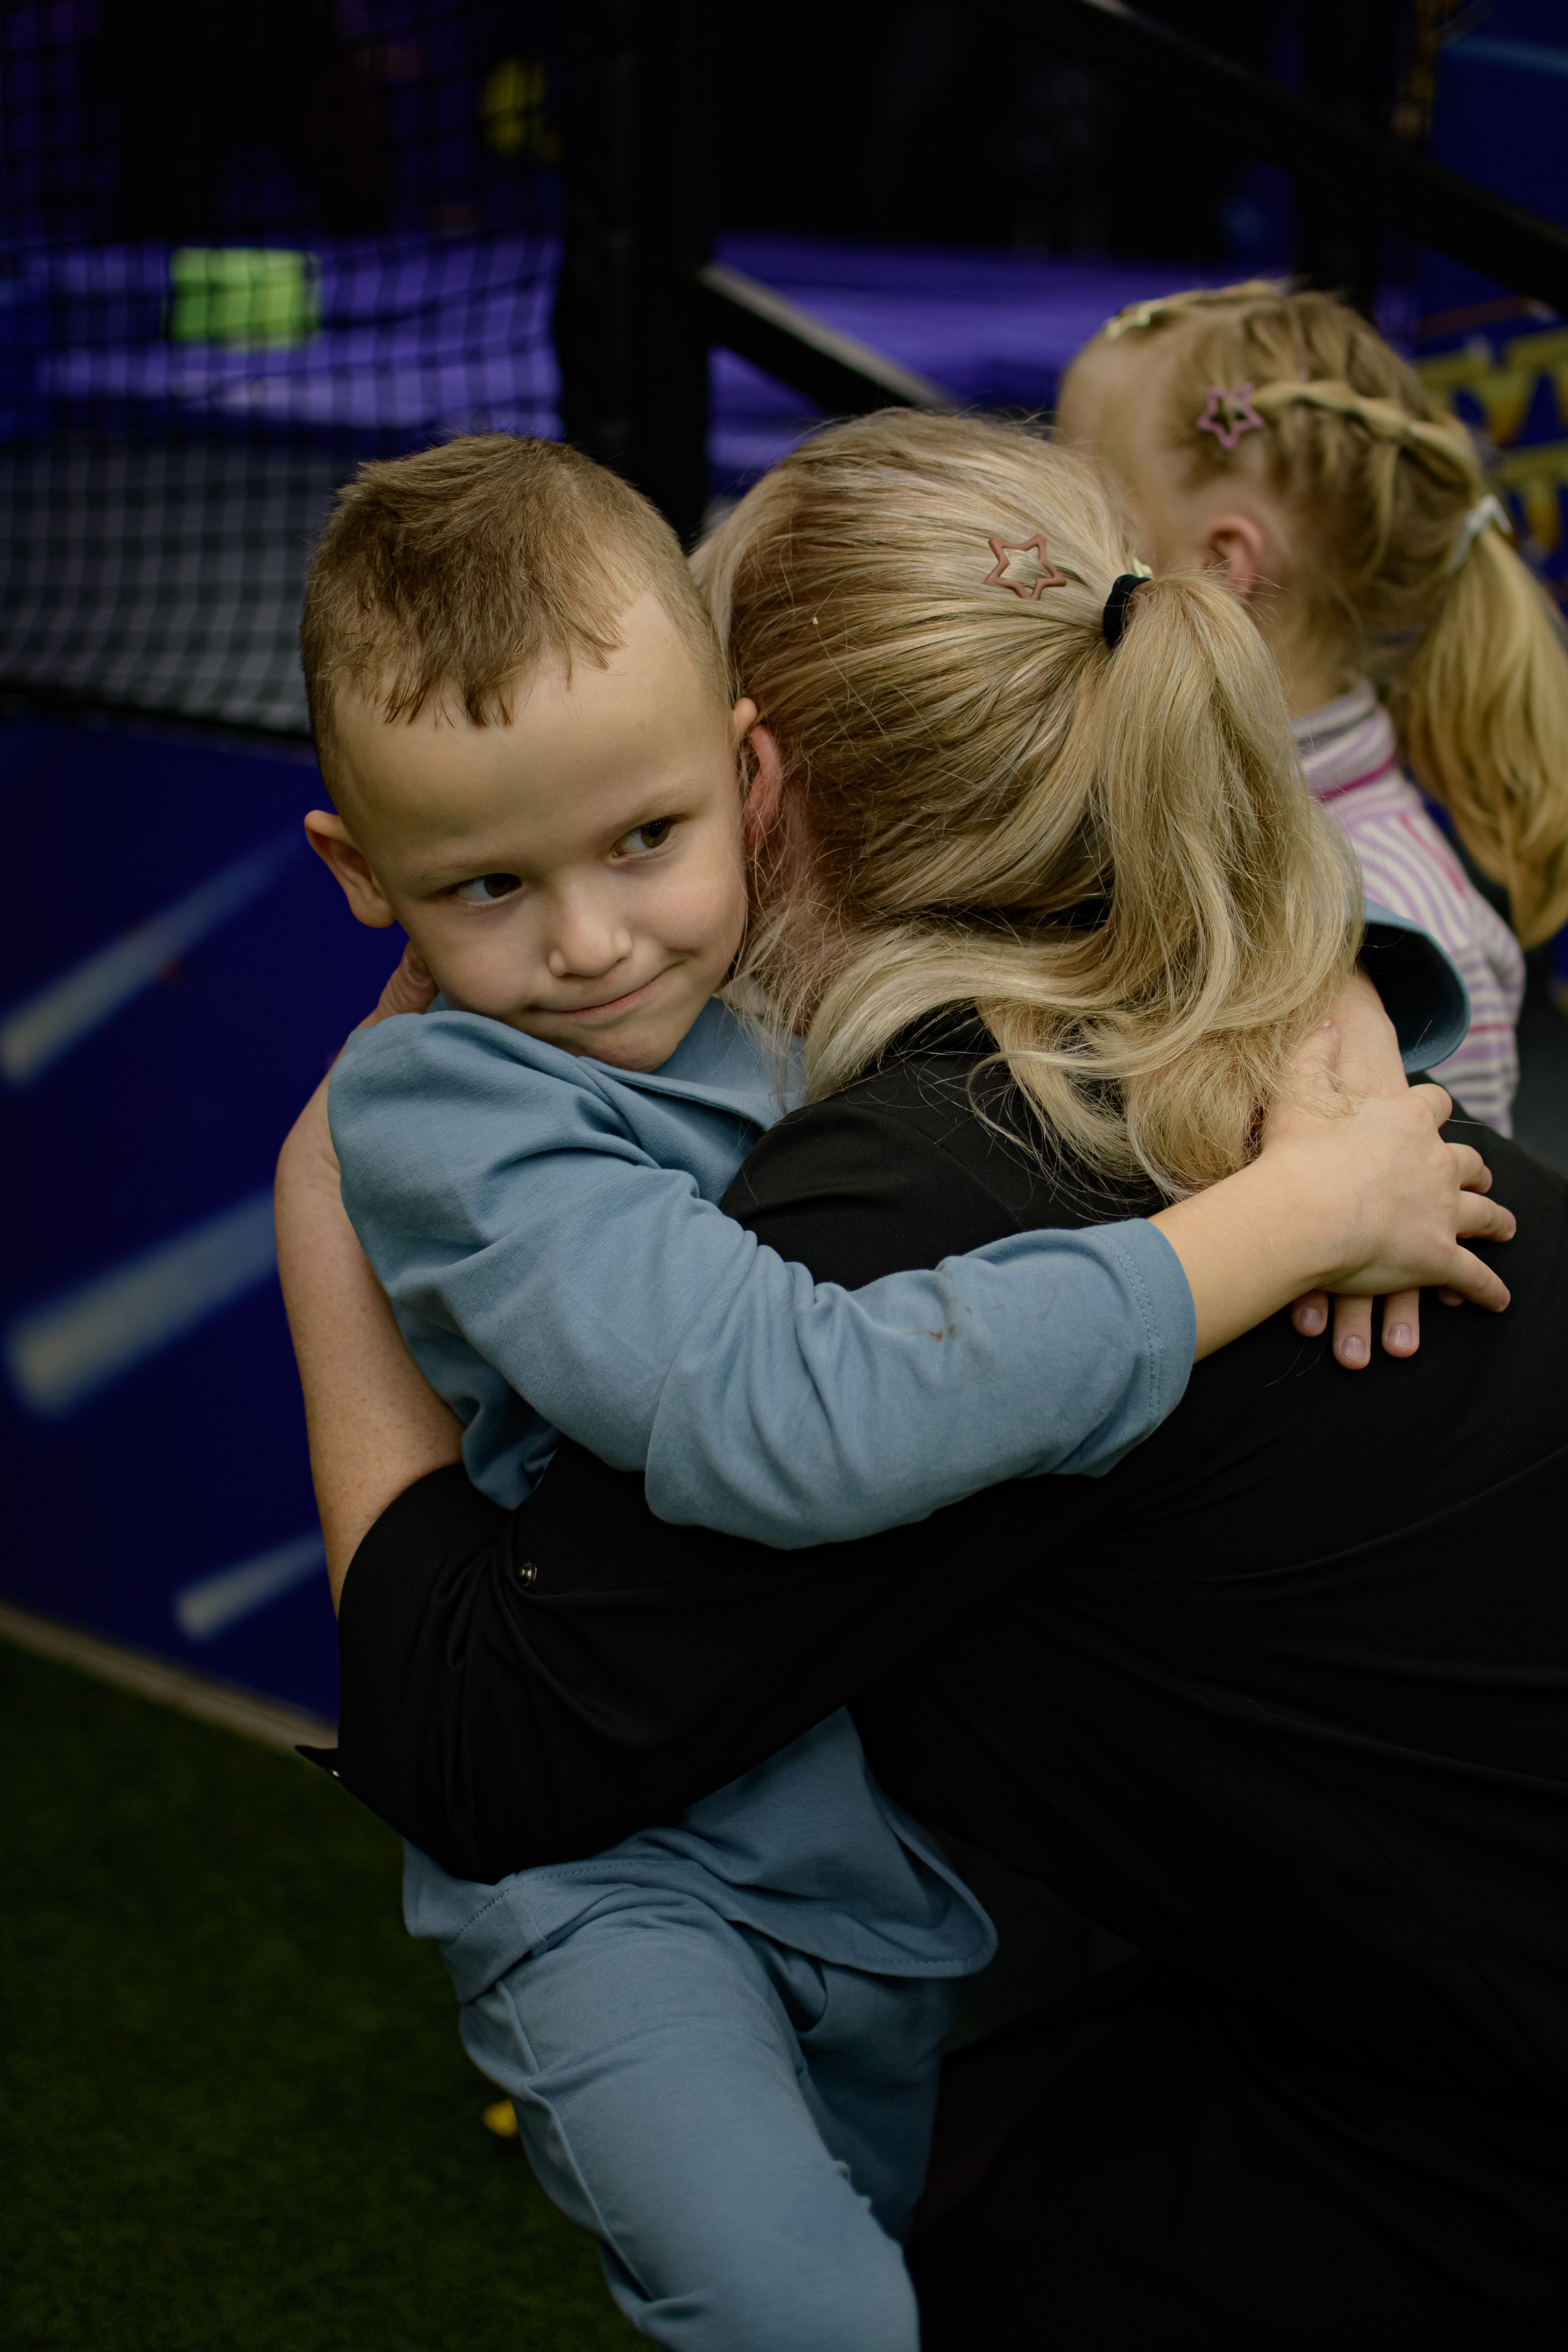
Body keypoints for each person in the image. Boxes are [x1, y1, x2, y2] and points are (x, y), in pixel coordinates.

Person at [276, 414, 1542, 2347]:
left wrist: (317, 1196)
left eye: (654, 822)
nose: (587, 933)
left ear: (763, 786)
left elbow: (481, 1743)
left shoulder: (933, 1176)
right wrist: (1338, 1006)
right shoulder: (1255, 1035)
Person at [1055, 278, 1568, 1136]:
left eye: (1078, 506)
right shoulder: (1134, 792)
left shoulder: (1411, 930)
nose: (1045, 540)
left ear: (1221, 565)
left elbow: (1448, 1226)